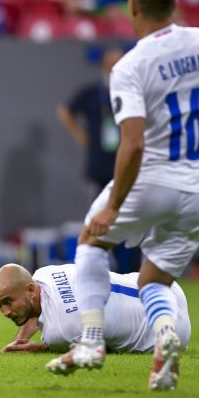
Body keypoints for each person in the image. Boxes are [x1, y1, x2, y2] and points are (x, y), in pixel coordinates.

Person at [47, 0, 199, 391]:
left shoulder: (130, 66)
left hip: (155, 178)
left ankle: (91, 342)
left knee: (92, 241)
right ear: (175, 4)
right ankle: (164, 336)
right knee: (154, 280)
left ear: (132, 7)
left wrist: (113, 205)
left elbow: (131, 145)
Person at [57, 47, 140, 273]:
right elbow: (65, 111)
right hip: (101, 167)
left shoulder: (133, 91)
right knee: (100, 217)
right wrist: (85, 139)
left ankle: (129, 268)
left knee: (131, 219)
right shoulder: (93, 93)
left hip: (129, 165)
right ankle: (106, 267)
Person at [0, 263, 191, 354]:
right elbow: (37, 309)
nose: (5, 312)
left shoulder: (59, 332)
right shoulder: (45, 273)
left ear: (30, 290)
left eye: (8, 302)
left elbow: (81, 345)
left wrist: (35, 348)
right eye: (0, 305)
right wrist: (19, 340)